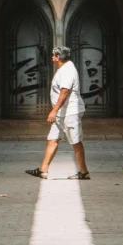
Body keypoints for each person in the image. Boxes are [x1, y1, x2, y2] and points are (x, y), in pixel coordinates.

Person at [29, 47, 89, 181]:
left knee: (75, 141)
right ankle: (43, 170)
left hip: (70, 112)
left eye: (53, 55)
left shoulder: (68, 70)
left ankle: (84, 172)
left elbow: (65, 92)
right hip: (62, 113)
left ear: (57, 57)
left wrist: (54, 110)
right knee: (53, 139)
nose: (51, 57)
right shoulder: (64, 69)